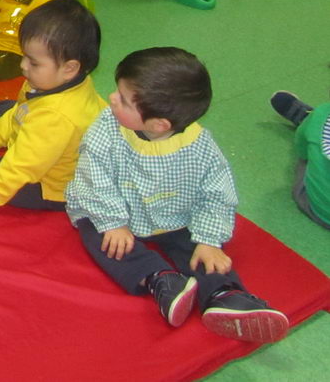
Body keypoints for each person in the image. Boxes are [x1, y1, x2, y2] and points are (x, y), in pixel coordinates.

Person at [66, 48, 288, 343]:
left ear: (159, 125)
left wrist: (209, 240)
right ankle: (160, 278)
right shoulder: (107, 127)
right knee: (97, 234)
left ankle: (223, 295)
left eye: (123, 99)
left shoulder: (200, 147)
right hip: (120, 212)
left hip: (175, 218)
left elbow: (217, 195)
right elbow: (94, 176)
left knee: (199, 251)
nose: (111, 99)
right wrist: (112, 221)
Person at [0, 0, 105, 223]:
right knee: (5, 109)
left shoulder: (56, 117)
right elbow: (22, 110)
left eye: (33, 62)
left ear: (70, 68)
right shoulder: (53, 82)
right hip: (40, 139)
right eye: (24, 56)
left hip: (47, 186)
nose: (23, 66)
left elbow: (19, 168)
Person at [270, 91, 330, 230]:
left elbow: (302, 150)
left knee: (311, 154)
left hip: (320, 209)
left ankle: (306, 118)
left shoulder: (322, 115)